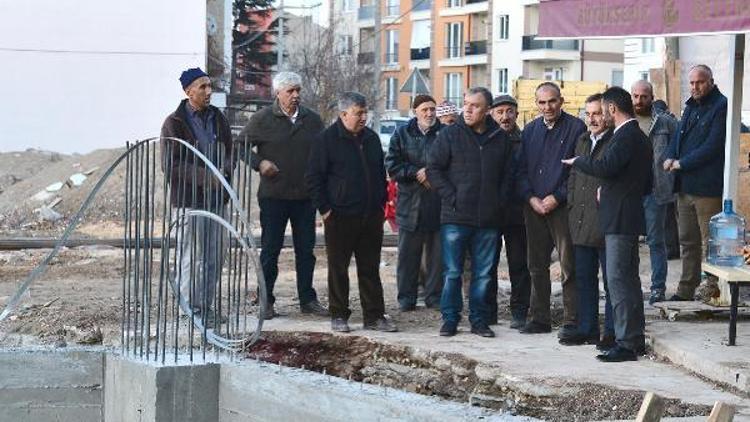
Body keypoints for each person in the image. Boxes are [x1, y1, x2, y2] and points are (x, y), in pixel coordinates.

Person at [563, 86, 653, 362]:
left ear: (613, 109)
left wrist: (579, 160)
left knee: (618, 281)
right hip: (625, 213)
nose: (602, 116)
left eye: (603, 111)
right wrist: (611, 188)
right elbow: (642, 182)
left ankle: (626, 343)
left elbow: (606, 167)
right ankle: (634, 338)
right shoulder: (637, 136)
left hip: (619, 218)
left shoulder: (624, 136)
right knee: (627, 279)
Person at [306, 91, 397, 333]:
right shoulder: (326, 140)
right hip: (339, 216)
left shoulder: (372, 139)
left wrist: (381, 203)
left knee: (369, 268)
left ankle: (374, 316)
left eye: (365, 112)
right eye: (358, 113)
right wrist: (325, 210)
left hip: (370, 215)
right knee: (338, 268)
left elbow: (379, 172)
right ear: (344, 114)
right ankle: (339, 315)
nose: (363, 117)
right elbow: (314, 179)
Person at [427, 87, 514, 338]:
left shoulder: (500, 138)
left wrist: (499, 201)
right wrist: (453, 197)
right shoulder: (450, 135)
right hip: (455, 217)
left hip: (489, 219)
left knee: (484, 274)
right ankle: (450, 319)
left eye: (475, 105)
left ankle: (479, 320)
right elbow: (433, 169)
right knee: (453, 272)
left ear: (487, 110)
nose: (468, 109)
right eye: (465, 104)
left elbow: (509, 175)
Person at [240, 72, 328, 320]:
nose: (296, 95)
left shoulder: (312, 120)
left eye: (298, 90)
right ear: (277, 93)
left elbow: (323, 151)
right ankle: (266, 300)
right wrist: (259, 163)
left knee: (306, 250)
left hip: (304, 196)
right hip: (274, 195)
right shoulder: (262, 119)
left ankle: (307, 299)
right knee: (270, 249)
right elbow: (240, 146)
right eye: (290, 91)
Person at [160, 67, 234, 325]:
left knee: (214, 256)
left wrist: (224, 171)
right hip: (189, 202)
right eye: (202, 87)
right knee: (191, 254)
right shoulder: (175, 122)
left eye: (209, 86)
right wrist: (207, 177)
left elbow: (229, 152)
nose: (208, 91)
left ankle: (204, 306)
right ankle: (187, 309)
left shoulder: (218, 118)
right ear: (188, 91)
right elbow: (171, 165)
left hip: (216, 201)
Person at [517, 82, 586, 340]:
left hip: (562, 208)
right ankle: (539, 318)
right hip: (534, 207)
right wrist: (531, 198)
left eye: (552, 101)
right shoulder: (530, 130)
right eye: (542, 102)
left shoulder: (576, 128)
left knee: (569, 265)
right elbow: (520, 170)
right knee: (536, 264)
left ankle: (572, 320)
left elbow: (577, 171)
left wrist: (556, 198)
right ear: (536, 104)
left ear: (561, 101)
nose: (547, 107)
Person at [664, 65, 727, 302]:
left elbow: (713, 146)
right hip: (684, 187)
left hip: (707, 188)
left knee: (710, 242)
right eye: (691, 83)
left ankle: (712, 290)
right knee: (688, 241)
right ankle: (686, 289)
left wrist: (682, 163)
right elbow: (678, 137)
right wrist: (670, 156)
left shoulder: (721, 106)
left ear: (711, 81)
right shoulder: (690, 106)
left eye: (699, 82)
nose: (695, 87)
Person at [565, 94, 615, 347]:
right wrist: (572, 205)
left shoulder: (615, 141)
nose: (593, 118)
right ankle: (587, 328)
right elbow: (574, 177)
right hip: (581, 220)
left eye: (597, 113)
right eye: (589, 114)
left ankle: (611, 332)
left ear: (608, 113)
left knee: (611, 282)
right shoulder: (583, 140)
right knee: (584, 279)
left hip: (606, 222)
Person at [385, 95, 444, 311]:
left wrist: (432, 174)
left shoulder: (445, 134)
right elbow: (392, 165)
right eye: (425, 110)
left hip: (438, 203)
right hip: (410, 204)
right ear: (415, 111)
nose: (429, 114)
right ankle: (406, 298)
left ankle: (434, 297)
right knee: (408, 256)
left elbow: (454, 164)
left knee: (437, 257)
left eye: (432, 109)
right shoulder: (402, 134)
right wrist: (415, 172)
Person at [631, 80, 679, 305]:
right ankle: (629, 286)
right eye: (635, 96)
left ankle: (658, 288)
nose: (639, 101)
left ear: (652, 97)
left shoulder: (665, 123)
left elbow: (678, 149)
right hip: (629, 191)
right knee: (627, 240)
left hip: (655, 190)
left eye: (644, 96)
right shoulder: (624, 122)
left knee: (655, 241)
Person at [487, 95, 531, 329]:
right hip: (490, 213)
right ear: (492, 114)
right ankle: (488, 312)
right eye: (500, 111)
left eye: (509, 111)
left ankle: (520, 311)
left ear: (516, 113)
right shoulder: (486, 139)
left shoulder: (525, 140)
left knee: (519, 264)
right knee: (487, 264)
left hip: (517, 213)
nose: (505, 116)